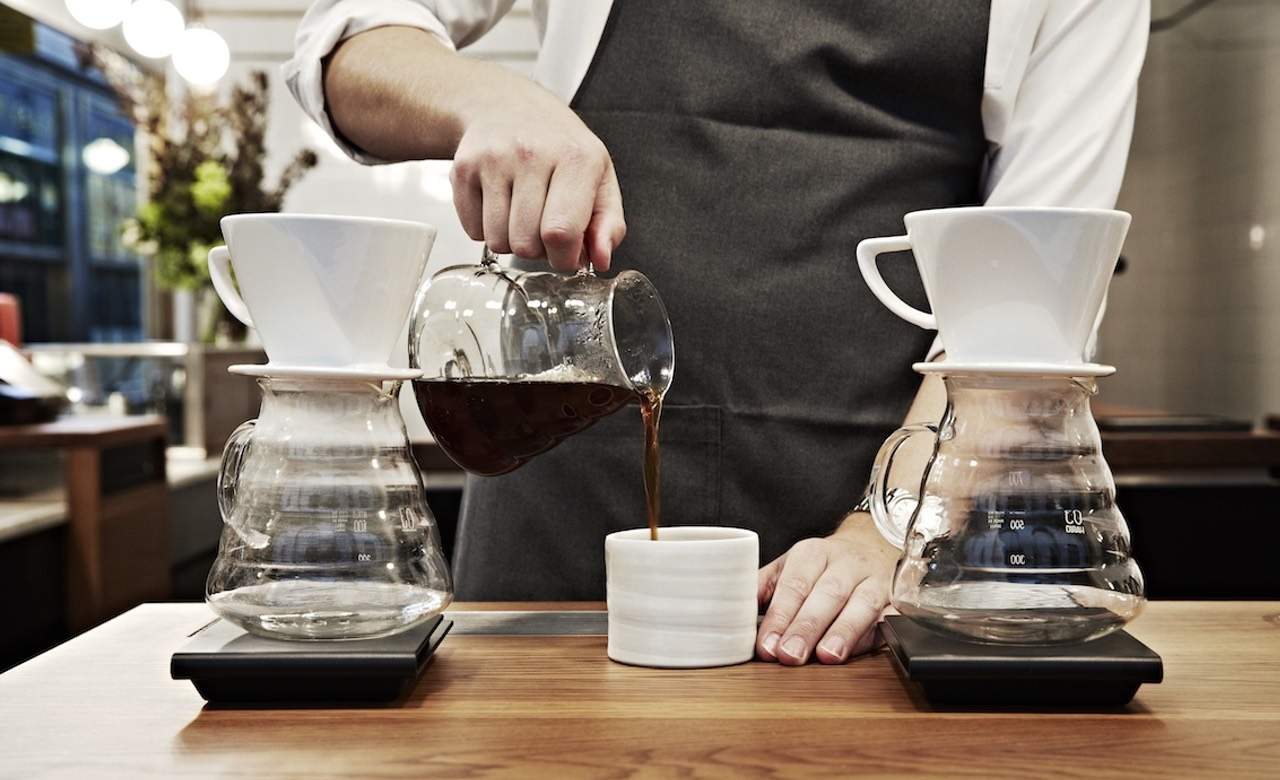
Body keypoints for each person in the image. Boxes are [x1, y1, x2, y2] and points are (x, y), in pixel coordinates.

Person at [286, 0, 1149, 665]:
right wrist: (488, 98)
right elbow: (342, 49)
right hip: (568, 480)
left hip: (881, 485)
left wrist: (890, 527)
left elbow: (1036, 281)